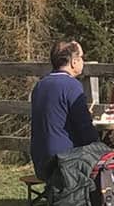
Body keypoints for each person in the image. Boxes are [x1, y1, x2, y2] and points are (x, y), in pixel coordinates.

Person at [29, 40, 97, 179]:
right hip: (65, 161)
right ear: (74, 62)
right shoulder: (72, 85)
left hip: (41, 159)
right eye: (81, 58)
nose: (83, 61)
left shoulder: (40, 85)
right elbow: (84, 128)